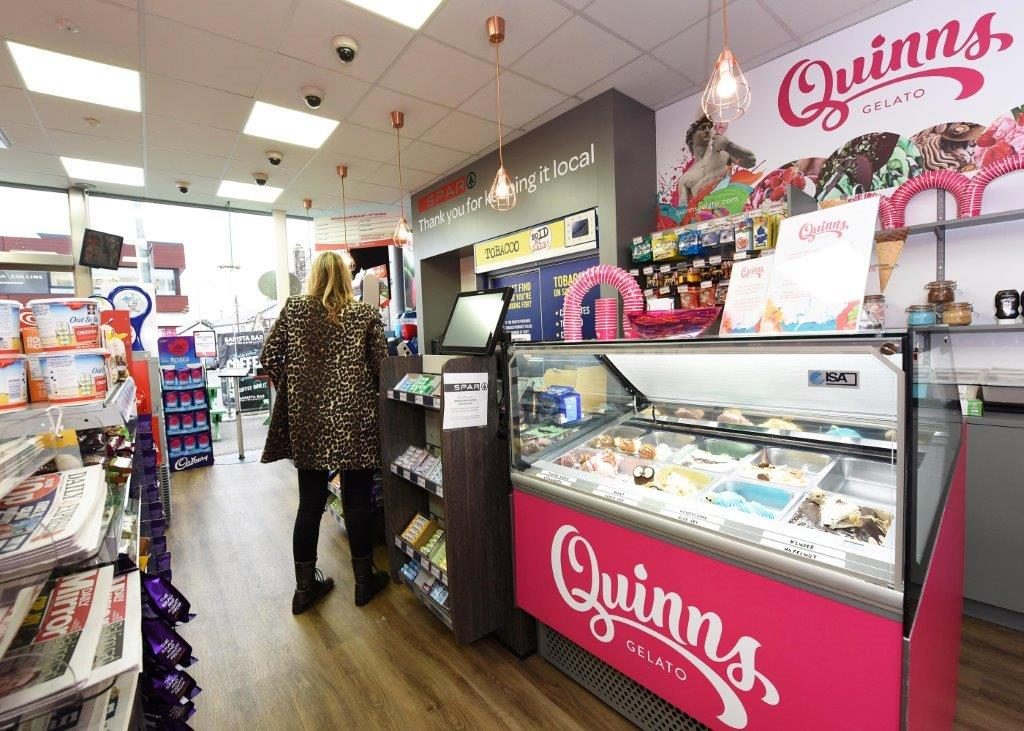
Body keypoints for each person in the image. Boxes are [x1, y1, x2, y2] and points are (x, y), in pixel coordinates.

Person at [261, 251, 389, 614]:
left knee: (310, 504)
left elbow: (268, 358)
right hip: (355, 422)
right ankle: (364, 583)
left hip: (309, 424)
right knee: (358, 503)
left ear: (313, 276)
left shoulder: (295, 309)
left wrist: (298, 381)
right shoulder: (364, 313)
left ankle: (304, 590)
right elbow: (382, 366)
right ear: (347, 279)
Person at [676, 115, 757, 206]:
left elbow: (751, 161)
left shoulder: (724, 153)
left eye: (709, 127)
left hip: (731, 212)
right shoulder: (685, 179)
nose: (707, 130)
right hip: (705, 217)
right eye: (703, 128)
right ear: (692, 137)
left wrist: (728, 145)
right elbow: (683, 212)